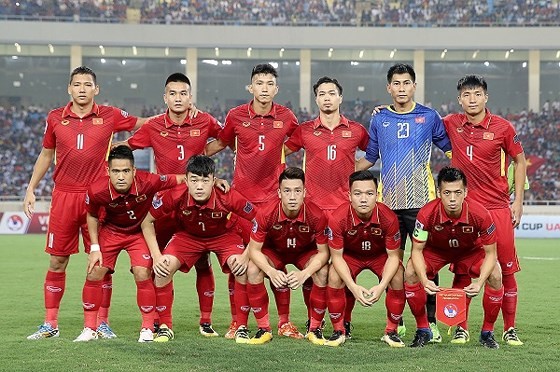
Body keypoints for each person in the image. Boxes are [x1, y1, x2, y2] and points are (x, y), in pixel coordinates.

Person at [25, 66, 148, 340]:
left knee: (100, 263)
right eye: (77, 84)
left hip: (98, 198)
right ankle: (50, 324)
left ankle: (101, 323)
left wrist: (177, 116)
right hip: (64, 196)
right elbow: (46, 155)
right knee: (57, 260)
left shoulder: (110, 115)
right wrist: (31, 188)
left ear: (96, 89)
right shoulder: (55, 118)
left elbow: (145, 123)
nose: (82, 89)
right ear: (69, 89)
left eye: (87, 84)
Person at [123, 72, 228, 337]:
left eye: (183, 93)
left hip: (197, 200)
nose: (178, 98)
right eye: (173, 93)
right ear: (165, 97)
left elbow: (227, 138)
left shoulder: (204, 120)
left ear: (190, 97)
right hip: (164, 202)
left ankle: (205, 321)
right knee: (153, 264)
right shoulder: (154, 125)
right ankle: (158, 320)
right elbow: (126, 148)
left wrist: (204, 161)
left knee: (203, 260)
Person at [205, 63, 303, 339]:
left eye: (269, 83)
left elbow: (299, 139)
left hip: (274, 203)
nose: (264, 88)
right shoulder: (236, 116)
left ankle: (284, 322)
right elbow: (220, 144)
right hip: (242, 204)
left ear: (276, 88)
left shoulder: (287, 117)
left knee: (277, 262)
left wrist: (282, 151)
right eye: (259, 83)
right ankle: (238, 321)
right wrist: (198, 162)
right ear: (251, 87)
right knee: (239, 265)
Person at [356, 63, 452, 342]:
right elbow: (369, 159)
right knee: (393, 264)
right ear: (389, 88)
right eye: (396, 83)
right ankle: (395, 323)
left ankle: (431, 323)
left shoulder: (430, 116)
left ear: (414, 85)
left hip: (423, 202)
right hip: (387, 204)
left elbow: (450, 151)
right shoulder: (379, 119)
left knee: (427, 265)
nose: (401, 88)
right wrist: (341, 173)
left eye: (406, 83)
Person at [443, 75, 527, 346]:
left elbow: (520, 160)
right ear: (459, 99)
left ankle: (509, 328)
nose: (472, 99)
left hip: (496, 209)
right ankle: (460, 327)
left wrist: (518, 202)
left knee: (505, 270)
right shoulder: (451, 124)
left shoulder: (502, 127)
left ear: (486, 97)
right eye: (466, 95)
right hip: (463, 211)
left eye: (477, 94)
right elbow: (418, 118)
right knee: (462, 271)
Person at [283, 76, 369, 337]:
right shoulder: (305, 130)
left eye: (332, 93)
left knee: (342, 271)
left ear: (340, 98)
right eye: (322, 94)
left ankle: (346, 321)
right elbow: (280, 153)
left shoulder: (356, 130)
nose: (327, 98)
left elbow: (374, 154)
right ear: (316, 99)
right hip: (314, 210)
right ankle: (314, 322)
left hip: (345, 211)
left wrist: (351, 171)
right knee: (316, 270)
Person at [141, 155, 256, 342]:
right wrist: (156, 255)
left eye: (205, 180)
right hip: (189, 237)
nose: (199, 186)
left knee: (241, 268)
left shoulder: (227, 196)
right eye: (194, 180)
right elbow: (147, 220)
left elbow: (260, 222)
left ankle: (241, 327)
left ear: (214, 181)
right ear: (186, 180)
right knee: (163, 269)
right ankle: (165, 326)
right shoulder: (176, 194)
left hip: (223, 236)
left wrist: (246, 254)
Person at [74, 145, 183, 342]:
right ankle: (90, 328)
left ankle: (147, 328)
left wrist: (212, 181)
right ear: (108, 171)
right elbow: (91, 215)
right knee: (94, 271)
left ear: (134, 171)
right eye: (116, 171)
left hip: (138, 233)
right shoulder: (97, 189)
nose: (121, 176)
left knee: (143, 272)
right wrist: (95, 247)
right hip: (111, 231)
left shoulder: (149, 181)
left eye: (126, 171)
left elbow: (180, 179)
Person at [404, 166, 504, 349]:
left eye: (457, 192)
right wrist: (425, 280)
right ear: (439, 193)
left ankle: (487, 333)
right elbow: (417, 250)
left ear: (465, 192)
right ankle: (422, 329)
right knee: (410, 272)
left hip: (470, 252)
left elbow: (491, 253)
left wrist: (479, 282)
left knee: (496, 275)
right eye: (447, 193)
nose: (452, 199)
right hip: (436, 252)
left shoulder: (481, 214)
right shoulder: (426, 214)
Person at [244, 167, 330, 345]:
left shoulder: (316, 215)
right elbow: (253, 250)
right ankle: (264, 329)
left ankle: (315, 329)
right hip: (274, 252)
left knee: (322, 272)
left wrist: (304, 274)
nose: (292, 197)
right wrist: (271, 271)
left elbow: (324, 253)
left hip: (304, 252)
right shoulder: (266, 213)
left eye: (297, 191)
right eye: (287, 191)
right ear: (279, 193)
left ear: (304, 192)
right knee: (253, 269)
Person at [324, 170, 405, 348]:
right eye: (357, 193)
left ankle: (391, 331)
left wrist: (382, 285)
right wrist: (352, 286)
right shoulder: (338, 218)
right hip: (350, 256)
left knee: (398, 274)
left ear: (377, 195)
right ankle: (339, 330)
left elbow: (393, 256)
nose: (363, 199)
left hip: (379, 256)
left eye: (369, 194)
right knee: (334, 275)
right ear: (349, 196)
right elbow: (336, 257)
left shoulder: (388, 218)